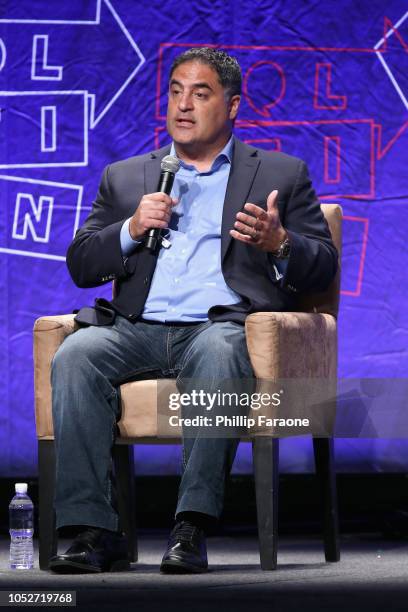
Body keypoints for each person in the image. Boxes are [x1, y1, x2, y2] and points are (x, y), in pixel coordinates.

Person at [48, 47, 338, 575]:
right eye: (176, 91)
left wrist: (279, 243)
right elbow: (82, 263)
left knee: (222, 349)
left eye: (200, 93)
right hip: (135, 328)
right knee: (77, 355)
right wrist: (131, 230)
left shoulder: (279, 173)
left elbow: (321, 267)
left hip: (215, 326)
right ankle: (94, 530)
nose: (183, 105)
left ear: (232, 106)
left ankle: (191, 527)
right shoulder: (128, 175)